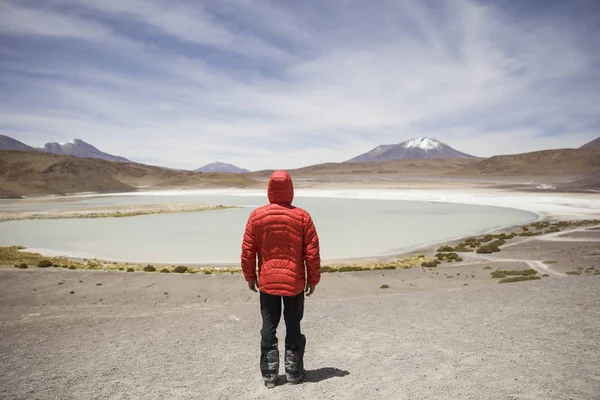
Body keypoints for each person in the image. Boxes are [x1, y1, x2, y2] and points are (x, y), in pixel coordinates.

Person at [241, 170, 321, 388]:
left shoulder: (256, 216)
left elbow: (248, 251)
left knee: (269, 326)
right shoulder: (302, 216)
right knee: (293, 325)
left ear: (269, 189)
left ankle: (269, 377)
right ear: (290, 189)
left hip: (267, 281)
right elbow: (312, 252)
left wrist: (250, 276)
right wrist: (313, 279)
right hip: (294, 282)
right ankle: (294, 373)